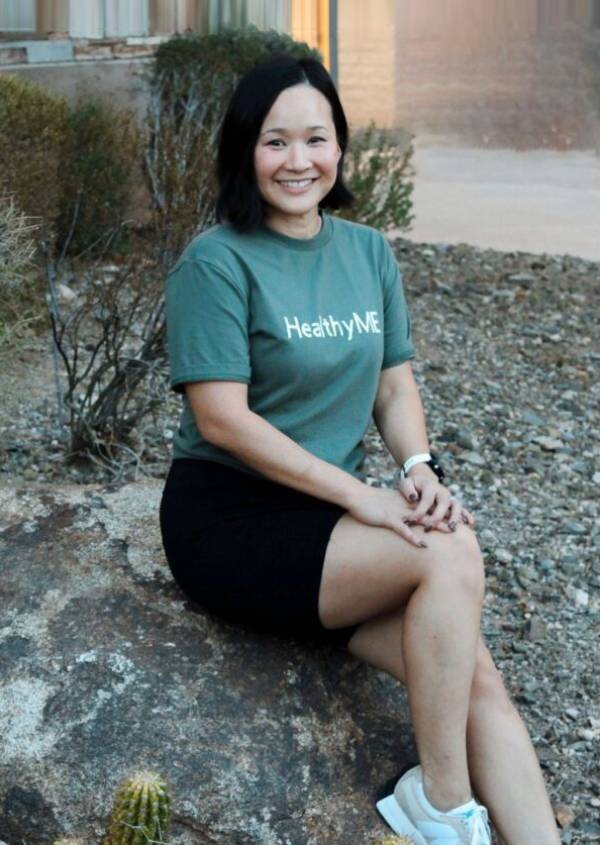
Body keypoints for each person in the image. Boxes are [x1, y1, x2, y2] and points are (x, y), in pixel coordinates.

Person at [159, 55, 561, 845]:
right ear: (246, 149)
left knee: (474, 673)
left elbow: (392, 386)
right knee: (447, 555)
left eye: (316, 138)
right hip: (232, 524)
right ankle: (442, 807)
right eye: (276, 142)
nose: (298, 160)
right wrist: (363, 497)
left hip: (327, 534)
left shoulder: (367, 250)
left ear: (341, 146)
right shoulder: (215, 262)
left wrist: (416, 470)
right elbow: (224, 421)